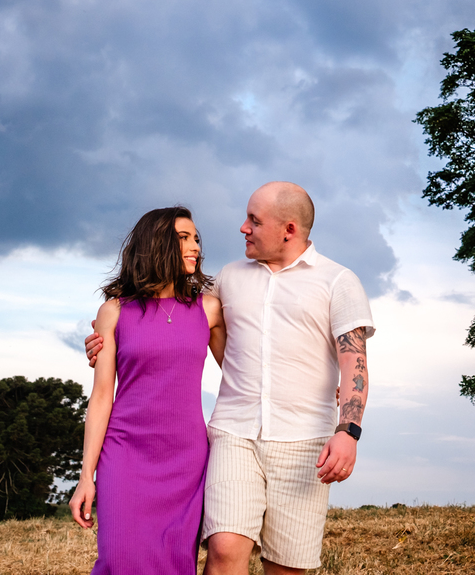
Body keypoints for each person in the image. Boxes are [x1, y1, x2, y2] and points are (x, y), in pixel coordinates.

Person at [86, 182, 373, 575]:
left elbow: (354, 359)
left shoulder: (338, 281)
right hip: (233, 435)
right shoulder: (228, 279)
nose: (242, 228)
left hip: (304, 439)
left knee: (286, 566)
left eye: (254, 220)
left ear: (288, 229)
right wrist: (108, 343)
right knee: (222, 551)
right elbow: (171, 321)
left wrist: (348, 428)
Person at [70, 206, 226, 575]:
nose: (195, 247)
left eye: (197, 239)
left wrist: (314, 385)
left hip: (186, 459)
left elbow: (246, 374)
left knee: (173, 562)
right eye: (183, 238)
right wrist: (85, 476)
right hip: (125, 453)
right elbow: (101, 396)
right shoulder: (114, 312)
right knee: (118, 559)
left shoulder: (209, 309)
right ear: (156, 245)